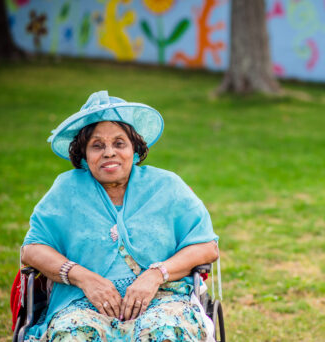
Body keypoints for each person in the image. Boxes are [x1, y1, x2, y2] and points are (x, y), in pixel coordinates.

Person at [20, 91, 219, 342]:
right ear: (83, 154)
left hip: (164, 299)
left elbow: (206, 246)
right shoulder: (66, 190)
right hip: (82, 303)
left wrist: (155, 275)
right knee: (73, 335)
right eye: (97, 145)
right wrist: (86, 279)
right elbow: (33, 249)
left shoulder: (166, 186)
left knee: (167, 333)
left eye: (119, 143)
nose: (109, 152)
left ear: (135, 149)